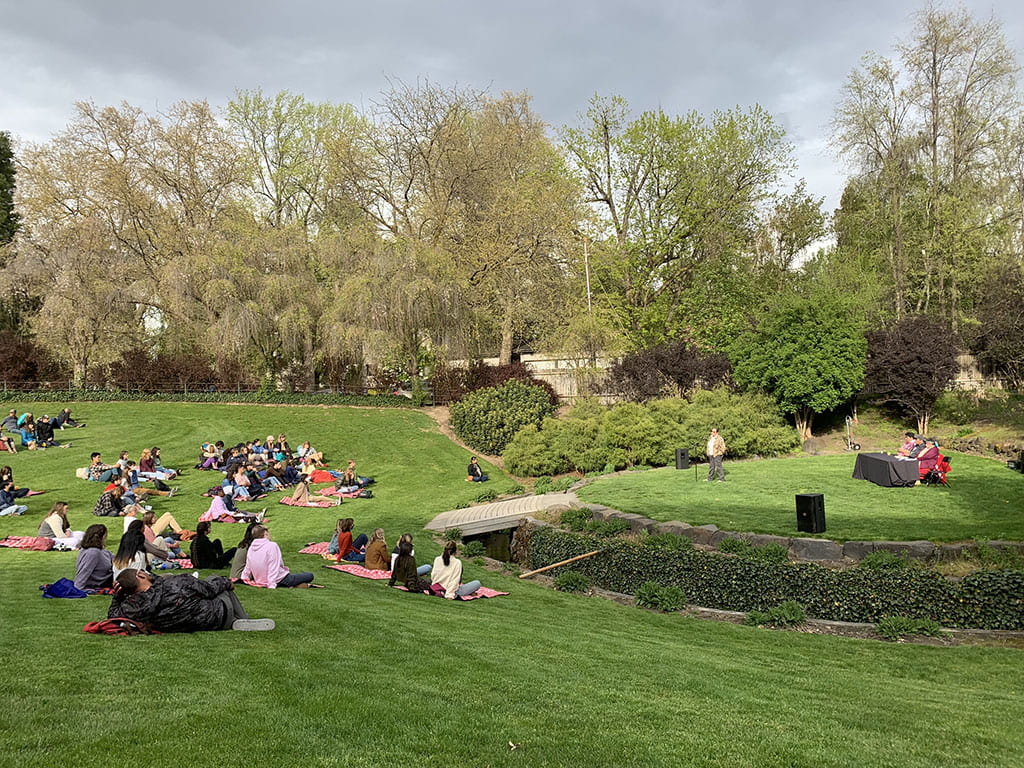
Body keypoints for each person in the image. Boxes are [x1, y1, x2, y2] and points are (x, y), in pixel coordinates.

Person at [107, 569, 274, 632]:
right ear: (141, 575)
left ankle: (239, 621)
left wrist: (118, 597)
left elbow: (112, 615)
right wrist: (226, 582)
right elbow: (210, 590)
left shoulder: (133, 607)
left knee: (208, 588)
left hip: (193, 624)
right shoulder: (178, 582)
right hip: (217, 615)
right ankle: (242, 618)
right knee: (215, 580)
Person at [241, 525, 315, 588]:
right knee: (309, 576)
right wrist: (271, 584)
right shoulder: (272, 546)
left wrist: (244, 578)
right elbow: (273, 566)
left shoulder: (251, 548)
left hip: (260, 579)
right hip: (278, 579)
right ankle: (292, 584)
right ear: (265, 534)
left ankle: (294, 584)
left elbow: (248, 566)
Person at [74, 524, 114, 590]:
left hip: (106, 578)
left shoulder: (101, 550)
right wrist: (77, 588)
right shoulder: (93, 553)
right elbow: (85, 570)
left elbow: (114, 558)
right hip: (101, 582)